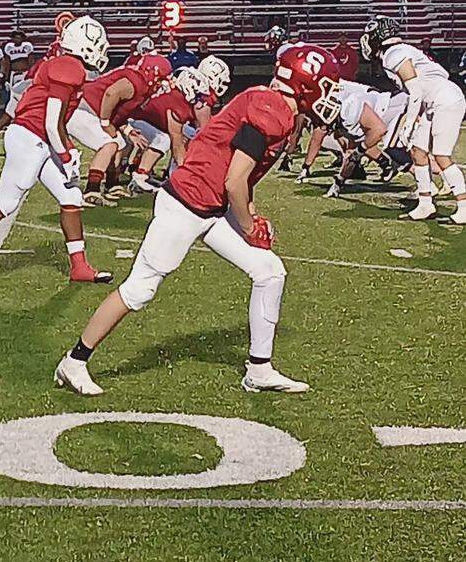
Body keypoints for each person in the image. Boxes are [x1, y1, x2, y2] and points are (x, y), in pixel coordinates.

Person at [55, 45, 343, 397]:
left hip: (210, 208)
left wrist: (250, 215)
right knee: (139, 289)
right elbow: (234, 180)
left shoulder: (267, 101)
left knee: (269, 271)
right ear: (306, 85)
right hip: (185, 206)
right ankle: (74, 361)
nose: (331, 93)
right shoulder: (272, 111)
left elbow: (241, 177)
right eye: (327, 85)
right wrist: (249, 227)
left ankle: (259, 369)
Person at [0, 16, 112, 285]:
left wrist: (66, 150)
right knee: (6, 202)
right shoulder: (69, 67)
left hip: (40, 138)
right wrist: (67, 154)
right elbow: (51, 122)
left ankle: (79, 266)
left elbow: (55, 123)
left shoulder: (67, 64)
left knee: (71, 197)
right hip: (30, 137)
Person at [362, 15, 466, 224]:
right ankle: (425, 203)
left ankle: (464, 206)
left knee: (441, 155)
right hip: (433, 101)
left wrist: (409, 122)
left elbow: (416, 89)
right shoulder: (402, 50)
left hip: (443, 100)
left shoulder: (394, 53)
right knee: (418, 152)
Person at [66, 53, 173, 206]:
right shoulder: (136, 82)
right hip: (82, 109)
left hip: (92, 110)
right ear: (153, 73)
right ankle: (92, 190)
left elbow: (119, 110)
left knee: (121, 144)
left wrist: (128, 130)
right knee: (109, 145)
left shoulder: (141, 84)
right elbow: (111, 94)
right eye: (163, 77)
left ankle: (111, 184)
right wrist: (105, 122)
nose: (164, 82)